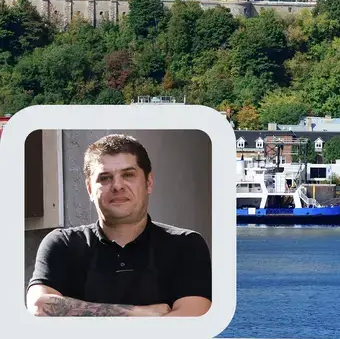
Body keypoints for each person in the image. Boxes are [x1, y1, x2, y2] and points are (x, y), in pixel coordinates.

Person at [27, 133, 212, 317]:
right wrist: (142, 313)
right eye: (105, 178)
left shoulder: (186, 245)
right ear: (90, 189)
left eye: (128, 175)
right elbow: (39, 306)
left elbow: (191, 321)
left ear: (149, 182)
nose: (117, 186)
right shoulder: (62, 245)